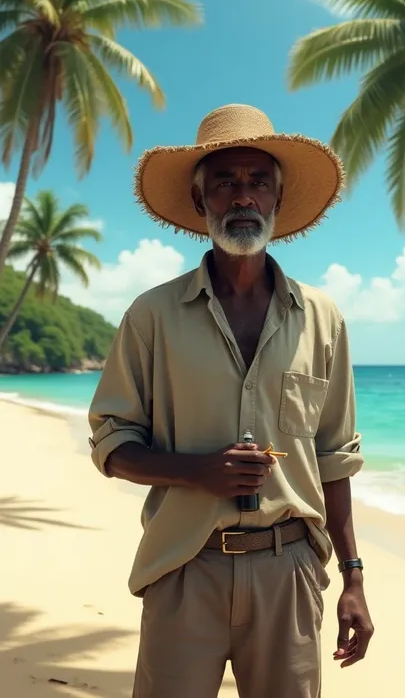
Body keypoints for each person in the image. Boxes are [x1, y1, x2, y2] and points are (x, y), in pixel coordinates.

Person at [88, 104, 374, 698]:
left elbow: (335, 459)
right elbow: (112, 442)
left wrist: (352, 577)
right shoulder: (152, 316)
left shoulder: (322, 319)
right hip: (183, 569)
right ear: (201, 203)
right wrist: (198, 471)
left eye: (257, 182)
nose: (242, 196)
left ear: (276, 199)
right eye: (225, 182)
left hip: (289, 570)